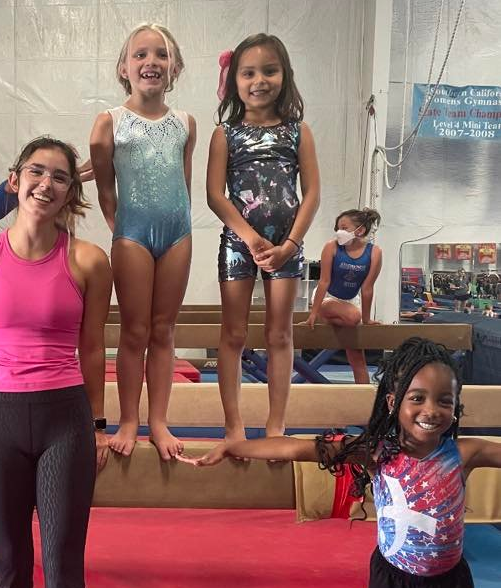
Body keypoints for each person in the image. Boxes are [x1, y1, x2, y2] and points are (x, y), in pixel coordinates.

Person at [183, 337, 500, 588]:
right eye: (417, 398)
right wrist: (234, 446)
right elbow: (296, 450)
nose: (431, 411)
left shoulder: (464, 453)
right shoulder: (376, 451)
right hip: (393, 577)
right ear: (393, 403)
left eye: (444, 401)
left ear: (456, 407)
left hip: (450, 578)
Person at [0, 136, 111, 587]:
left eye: (60, 177)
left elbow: (94, 347)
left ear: (70, 193)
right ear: (15, 180)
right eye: (37, 172)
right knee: (8, 564)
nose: (46, 183)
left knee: (64, 565)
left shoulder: (88, 261)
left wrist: (98, 424)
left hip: (64, 417)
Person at [89, 23, 197, 461]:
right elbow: (104, 189)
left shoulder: (186, 124)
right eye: (140, 55)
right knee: (134, 331)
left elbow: (185, 186)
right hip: (132, 233)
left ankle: (159, 420)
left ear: (174, 68)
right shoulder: (109, 123)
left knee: (164, 330)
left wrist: (178, 225)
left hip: (178, 233)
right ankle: (130, 418)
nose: (150, 62)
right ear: (124, 67)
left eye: (160, 55)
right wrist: (122, 228)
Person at [206, 33, 320, 447]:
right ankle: (233, 423)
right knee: (233, 334)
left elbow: (312, 194)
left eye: (269, 71)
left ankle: (276, 422)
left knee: (280, 334)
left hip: (287, 246)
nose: (259, 80)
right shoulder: (226, 133)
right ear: (234, 80)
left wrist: (290, 244)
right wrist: (250, 237)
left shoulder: (297, 132)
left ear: (284, 76)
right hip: (240, 243)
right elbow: (215, 195)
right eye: (248, 72)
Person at [305, 208, 383, 383]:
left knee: (358, 358)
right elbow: (324, 281)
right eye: (337, 228)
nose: (338, 232)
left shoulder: (374, 253)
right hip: (327, 297)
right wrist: (314, 313)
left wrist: (367, 319)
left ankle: (363, 400)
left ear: (360, 230)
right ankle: (329, 316)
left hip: (351, 301)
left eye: (343, 227)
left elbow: (367, 288)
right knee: (353, 317)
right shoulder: (331, 247)